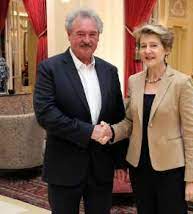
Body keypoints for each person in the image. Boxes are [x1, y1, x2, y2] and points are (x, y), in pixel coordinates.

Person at [99, 24, 193, 214]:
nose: (147, 51)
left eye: (153, 45)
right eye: (143, 46)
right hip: (140, 167)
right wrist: (111, 131)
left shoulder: (181, 83)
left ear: (167, 49)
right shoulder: (134, 81)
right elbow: (130, 122)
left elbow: (191, 134)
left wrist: (192, 179)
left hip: (171, 169)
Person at [33, 8, 126, 214]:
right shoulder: (50, 68)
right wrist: (89, 131)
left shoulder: (110, 71)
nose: (87, 40)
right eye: (80, 34)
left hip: (101, 168)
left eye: (92, 34)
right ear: (69, 35)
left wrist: (120, 162)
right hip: (64, 168)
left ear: (98, 37)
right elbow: (46, 114)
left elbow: (118, 117)